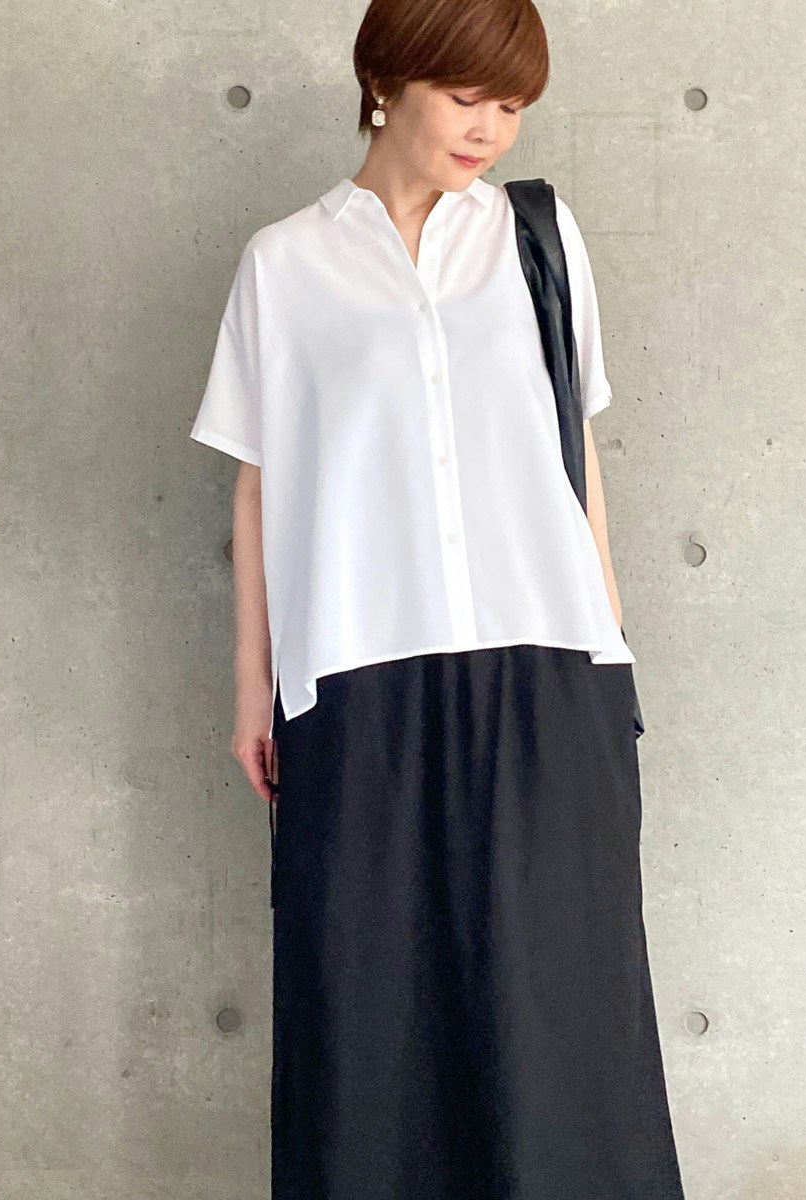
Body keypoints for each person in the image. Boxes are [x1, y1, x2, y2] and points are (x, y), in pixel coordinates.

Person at [189, 0, 685, 1195]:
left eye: (512, 106)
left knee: (565, 1023)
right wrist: (254, 690)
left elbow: (576, 450)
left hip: (548, 669)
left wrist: (611, 648)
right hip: (356, 677)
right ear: (386, 82)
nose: (491, 130)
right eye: (468, 98)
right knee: (370, 1023)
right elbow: (260, 484)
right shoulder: (285, 265)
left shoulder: (539, 239)